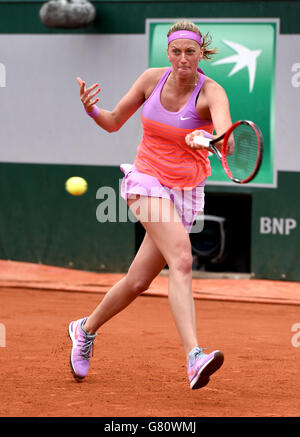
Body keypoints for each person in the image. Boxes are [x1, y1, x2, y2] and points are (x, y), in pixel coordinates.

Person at [69, 20, 232, 390]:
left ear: (200, 54)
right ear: (168, 53)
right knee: (183, 259)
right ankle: (194, 357)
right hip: (146, 180)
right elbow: (112, 122)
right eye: (176, 51)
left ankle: (85, 329)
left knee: (139, 280)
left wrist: (206, 140)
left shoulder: (212, 93)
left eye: (190, 51)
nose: (183, 59)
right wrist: (92, 110)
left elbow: (228, 142)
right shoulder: (150, 80)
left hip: (187, 190)